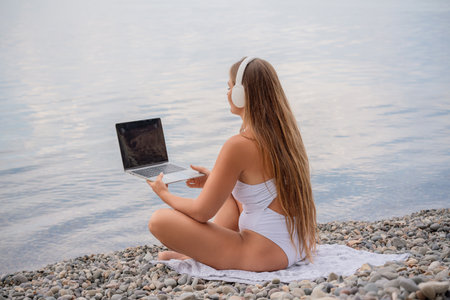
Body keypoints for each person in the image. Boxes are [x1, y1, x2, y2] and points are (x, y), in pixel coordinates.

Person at [147, 57, 317, 271]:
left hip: (264, 253)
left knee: (159, 220)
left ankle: (197, 253)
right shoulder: (284, 134)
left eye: (229, 88)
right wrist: (215, 181)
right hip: (296, 244)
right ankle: (197, 251)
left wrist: (164, 193)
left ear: (241, 95)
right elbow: (261, 186)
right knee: (228, 195)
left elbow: (201, 212)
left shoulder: (239, 144)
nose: (227, 94)